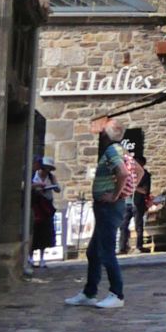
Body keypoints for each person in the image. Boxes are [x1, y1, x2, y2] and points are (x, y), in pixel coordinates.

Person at [65, 127, 127, 311]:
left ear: (107, 135)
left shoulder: (112, 150)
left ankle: (117, 293)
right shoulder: (119, 150)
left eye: (102, 131)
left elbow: (123, 173)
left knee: (107, 252)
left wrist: (116, 195)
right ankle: (89, 293)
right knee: (93, 252)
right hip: (104, 208)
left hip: (108, 207)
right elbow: (137, 171)